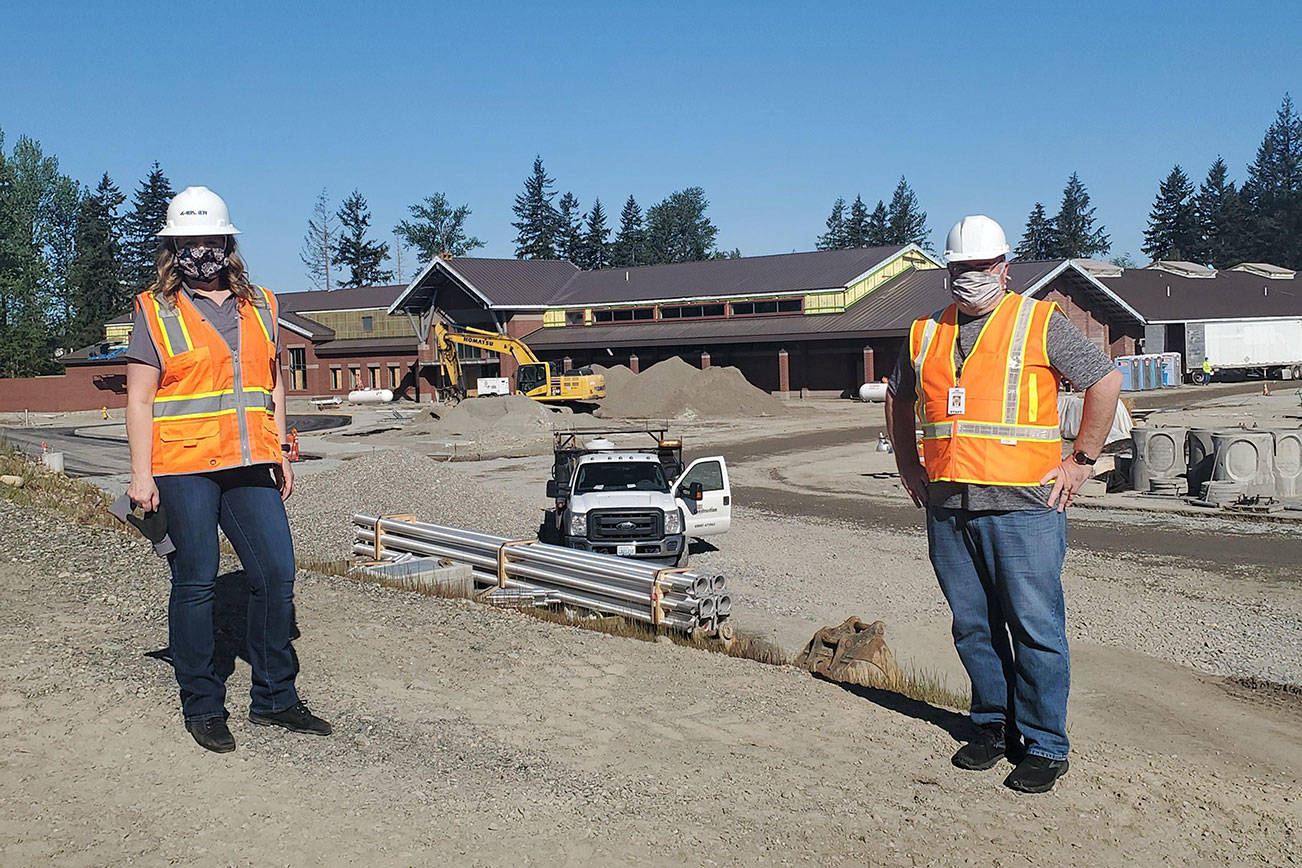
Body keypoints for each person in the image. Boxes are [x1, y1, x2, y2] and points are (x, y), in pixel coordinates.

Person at [885, 215, 1122, 794]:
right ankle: (992, 726)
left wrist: (1083, 459)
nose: (970, 279)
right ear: (948, 272)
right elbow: (897, 396)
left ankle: (1044, 744)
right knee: (973, 625)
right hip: (949, 504)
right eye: (960, 269)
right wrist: (909, 464)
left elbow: (1105, 380)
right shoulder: (925, 332)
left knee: (1035, 626)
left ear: (1003, 268)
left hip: (1023, 505)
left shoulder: (1039, 322)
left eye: (981, 268)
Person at [124, 186, 331, 753]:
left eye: (210, 241)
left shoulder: (261, 303)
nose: (200, 253)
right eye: (188, 244)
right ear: (174, 249)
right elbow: (139, 400)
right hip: (184, 466)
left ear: (227, 242)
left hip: (250, 463)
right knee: (196, 579)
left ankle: (274, 699)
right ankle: (202, 705)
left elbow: (274, 381)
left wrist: (281, 449)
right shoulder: (155, 311)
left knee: (276, 572)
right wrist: (141, 476)